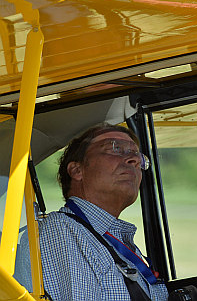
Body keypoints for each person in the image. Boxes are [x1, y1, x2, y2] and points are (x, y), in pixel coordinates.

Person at [34, 123, 169, 300]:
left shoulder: (110, 237)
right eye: (115, 148)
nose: (134, 160)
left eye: (137, 155)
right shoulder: (62, 229)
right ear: (77, 170)